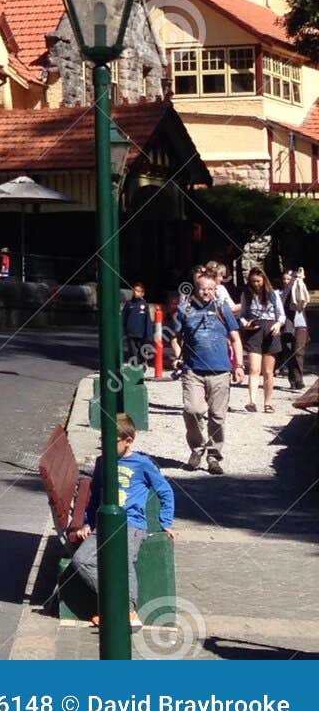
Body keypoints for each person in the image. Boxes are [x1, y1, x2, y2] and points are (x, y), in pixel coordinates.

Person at [69, 411, 175, 629]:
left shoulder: (142, 464)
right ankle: (113, 607)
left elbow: (165, 491)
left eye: (111, 442)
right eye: (103, 441)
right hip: (104, 524)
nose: (105, 446)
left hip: (132, 524)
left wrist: (166, 523)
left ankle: (129, 611)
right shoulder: (102, 462)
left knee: (123, 561)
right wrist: (89, 522)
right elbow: (95, 497)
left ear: (128, 441)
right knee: (82, 560)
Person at [169, 269, 244, 472]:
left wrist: (239, 365)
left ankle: (213, 456)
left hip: (220, 370)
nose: (206, 293)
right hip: (193, 370)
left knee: (217, 416)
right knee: (192, 410)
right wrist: (178, 356)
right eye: (203, 289)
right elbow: (175, 338)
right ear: (196, 289)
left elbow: (236, 339)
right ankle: (197, 448)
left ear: (216, 290)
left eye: (211, 289)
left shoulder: (222, 309)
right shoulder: (185, 310)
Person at [238, 266, 286, 414]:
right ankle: (252, 401)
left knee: (268, 371)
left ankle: (268, 403)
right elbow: (242, 315)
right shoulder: (246, 294)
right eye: (253, 281)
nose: (256, 284)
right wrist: (245, 324)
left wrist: (278, 324)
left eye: (258, 281)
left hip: (270, 330)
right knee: (253, 369)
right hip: (254, 331)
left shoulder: (273, 294)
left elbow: (281, 315)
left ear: (264, 280)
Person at [280, 266, 310, 391]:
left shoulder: (299, 289)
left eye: (289, 279)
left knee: (298, 352)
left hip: (300, 325)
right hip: (287, 326)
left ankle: (299, 379)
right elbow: (283, 300)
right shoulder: (281, 293)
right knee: (289, 352)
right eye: (285, 279)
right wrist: (293, 281)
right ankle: (293, 380)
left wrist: (297, 281)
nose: (287, 281)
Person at [122, 282, 155, 365]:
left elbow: (148, 321)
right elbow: (124, 317)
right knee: (133, 352)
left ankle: (143, 364)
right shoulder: (129, 304)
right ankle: (135, 367)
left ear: (142, 293)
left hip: (141, 334)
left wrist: (149, 335)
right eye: (134, 290)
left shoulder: (144, 304)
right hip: (131, 333)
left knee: (142, 351)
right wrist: (124, 330)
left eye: (138, 291)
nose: (135, 292)